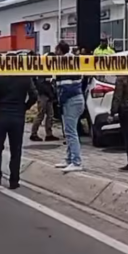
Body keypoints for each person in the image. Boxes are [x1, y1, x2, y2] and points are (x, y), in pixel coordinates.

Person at [0, 59, 38, 189]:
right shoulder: (25, 77)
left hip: (1, 115)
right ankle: (14, 180)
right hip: (18, 116)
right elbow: (34, 95)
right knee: (16, 149)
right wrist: (25, 107)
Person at [54, 41, 85, 172]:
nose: (55, 54)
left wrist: (60, 100)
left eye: (56, 51)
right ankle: (69, 159)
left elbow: (67, 87)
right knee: (69, 131)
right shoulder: (72, 62)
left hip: (71, 101)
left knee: (71, 132)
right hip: (75, 100)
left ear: (61, 51)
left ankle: (76, 162)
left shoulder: (67, 64)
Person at [29, 72, 59, 142]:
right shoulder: (41, 73)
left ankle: (49, 134)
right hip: (43, 95)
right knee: (40, 115)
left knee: (50, 115)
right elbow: (41, 85)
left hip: (48, 95)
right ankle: (34, 134)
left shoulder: (49, 73)